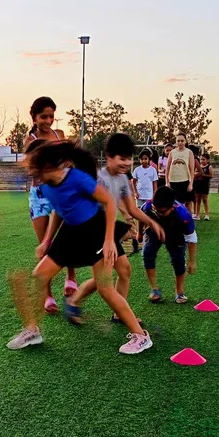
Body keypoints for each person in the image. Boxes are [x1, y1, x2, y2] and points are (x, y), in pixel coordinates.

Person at [6, 141, 153, 355]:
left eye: (34, 169)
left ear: (47, 166)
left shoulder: (76, 178)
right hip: (70, 232)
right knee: (39, 276)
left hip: (94, 230)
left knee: (105, 288)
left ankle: (141, 337)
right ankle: (32, 331)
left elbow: (109, 202)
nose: (31, 174)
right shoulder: (45, 184)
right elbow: (59, 210)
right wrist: (47, 240)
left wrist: (109, 240)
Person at [66, 134, 165, 324]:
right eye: (122, 158)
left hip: (108, 233)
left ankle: (118, 313)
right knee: (103, 280)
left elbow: (132, 208)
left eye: (130, 158)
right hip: (94, 234)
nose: (127, 162)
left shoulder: (122, 179)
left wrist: (152, 222)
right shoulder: (98, 179)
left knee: (124, 271)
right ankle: (74, 301)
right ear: (109, 157)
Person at [22, 96, 78, 309]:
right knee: (44, 245)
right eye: (43, 117)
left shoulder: (59, 135)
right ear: (34, 117)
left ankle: (71, 276)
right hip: (38, 195)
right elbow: (32, 168)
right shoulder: (30, 140)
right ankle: (47, 295)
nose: (48, 121)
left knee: (66, 237)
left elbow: (70, 161)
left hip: (61, 192)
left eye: (51, 116)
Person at [141, 186, 198, 304]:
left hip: (176, 234)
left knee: (178, 260)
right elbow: (141, 215)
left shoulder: (183, 215)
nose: (158, 213)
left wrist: (192, 261)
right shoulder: (149, 205)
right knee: (147, 254)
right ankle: (154, 289)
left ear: (172, 208)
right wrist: (139, 233)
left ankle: (179, 292)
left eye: (162, 212)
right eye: (155, 210)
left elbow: (191, 238)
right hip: (154, 231)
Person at [132, 148, 160, 249]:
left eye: (145, 159)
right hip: (140, 196)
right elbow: (133, 181)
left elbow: (154, 183)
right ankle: (140, 233)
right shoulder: (137, 170)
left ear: (149, 159)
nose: (144, 161)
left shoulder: (152, 170)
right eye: (142, 159)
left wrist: (154, 195)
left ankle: (147, 234)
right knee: (140, 216)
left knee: (148, 215)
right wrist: (135, 192)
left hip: (149, 197)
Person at [166, 134, 196, 215]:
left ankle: (189, 221)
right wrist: (167, 182)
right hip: (173, 182)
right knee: (174, 204)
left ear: (185, 141)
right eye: (178, 141)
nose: (180, 143)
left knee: (188, 203)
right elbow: (167, 169)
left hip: (185, 181)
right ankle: (176, 221)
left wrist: (191, 183)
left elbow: (192, 169)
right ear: (176, 142)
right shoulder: (172, 153)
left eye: (182, 141)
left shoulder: (189, 152)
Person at [194, 152, 213, 220]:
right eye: (201, 159)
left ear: (207, 160)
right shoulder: (198, 166)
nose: (202, 161)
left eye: (203, 159)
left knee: (205, 200)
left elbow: (211, 175)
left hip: (205, 185)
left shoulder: (209, 167)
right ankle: (197, 215)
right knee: (198, 199)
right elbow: (195, 173)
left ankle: (207, 215)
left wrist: (203, 175)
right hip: (198, 184)